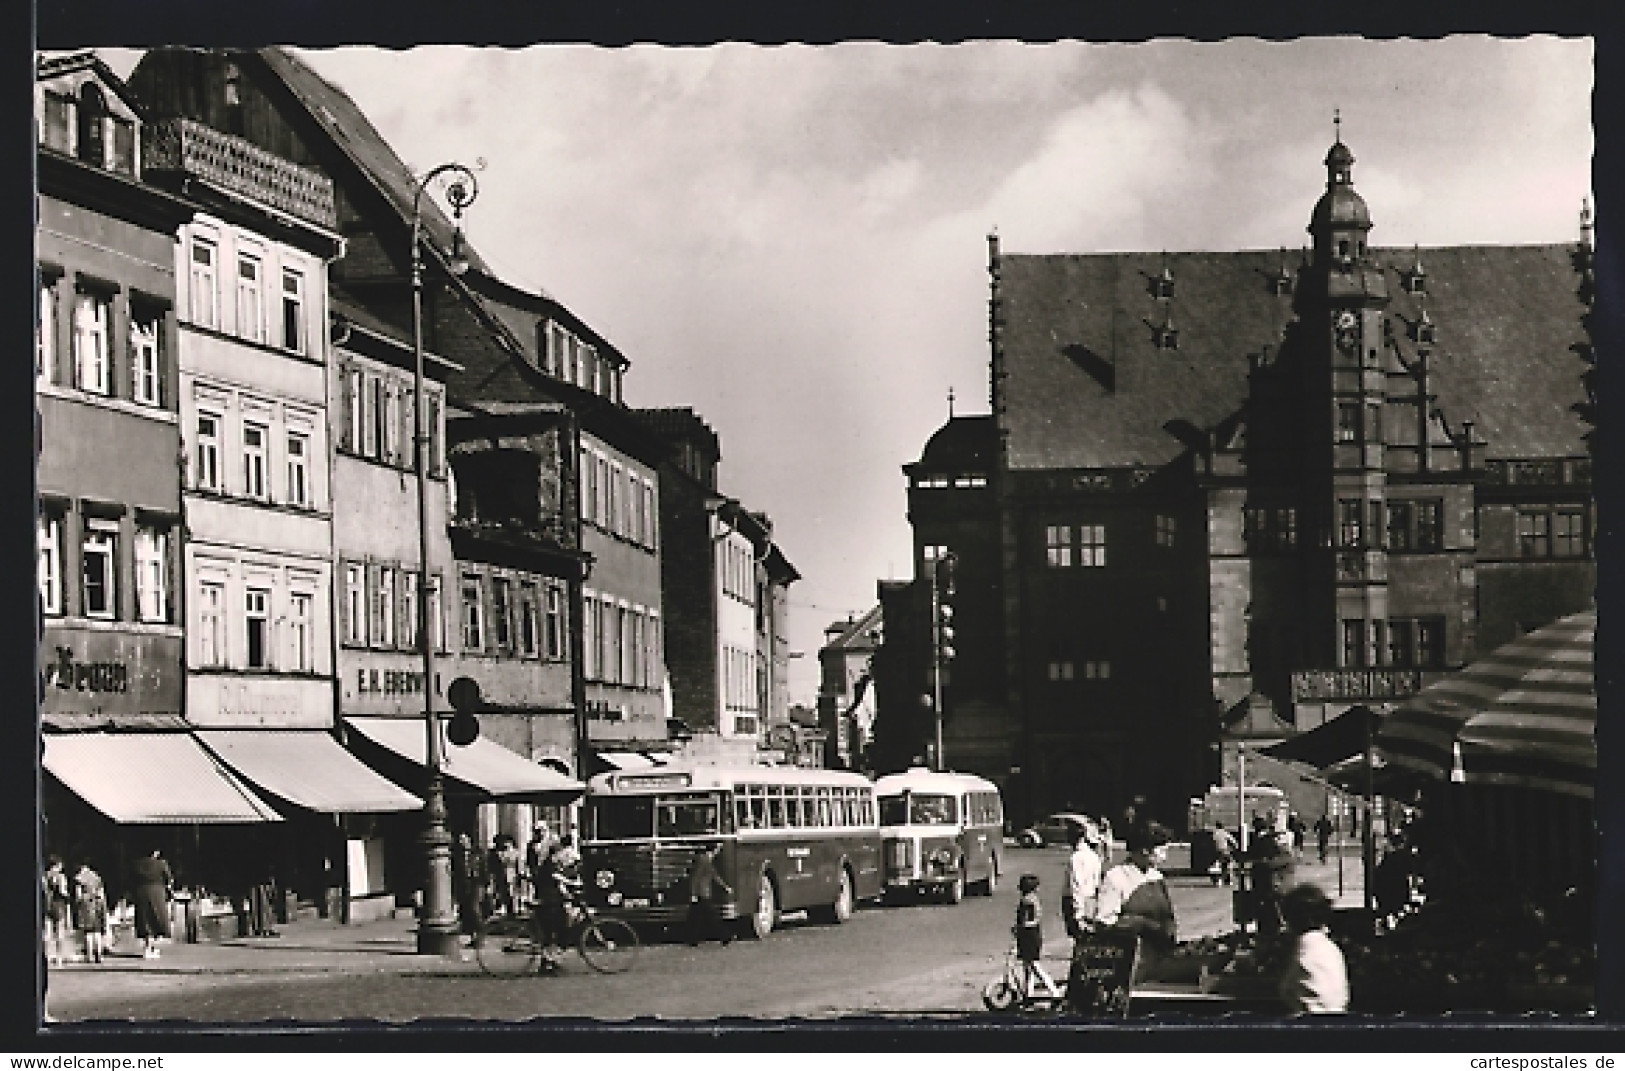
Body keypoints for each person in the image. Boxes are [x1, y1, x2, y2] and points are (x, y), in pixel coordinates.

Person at [1096, 823, 1177, 975]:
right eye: (1162, 850)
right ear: (1145, 850)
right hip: (1130, 963)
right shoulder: (1116, 877)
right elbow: (1104, 923)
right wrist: (1141, 925)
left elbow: (1167, 914)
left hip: (1159, 959)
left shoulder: (1156, 876)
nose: (1165, 856)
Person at [1277, 884, 1349, 1014]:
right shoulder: (1331, 948)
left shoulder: (1305, 947)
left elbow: (1287, 990)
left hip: (1311, 1024)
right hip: (1338, 1020)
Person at [1013, 874, 1062, 1001]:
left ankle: (1053, 991)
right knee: (1028, 966)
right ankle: (1028, 993)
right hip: (1033, 934)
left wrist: (1020, 927)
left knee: (1033, 965)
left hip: (1028, 936)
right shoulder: (1034, 899)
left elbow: (1029, 920)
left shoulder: (1027, 901)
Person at [1061, 819, 1103, 940]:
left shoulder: (1076, 858)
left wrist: (1078, 913)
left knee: (1078, 936)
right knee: (1086, 936)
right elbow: (1097, 883)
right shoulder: (1094, 856)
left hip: (1075, 901)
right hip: (1090, 899)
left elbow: (1076, 885)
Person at [686, 842, 734, 948]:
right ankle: (725, 936)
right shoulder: (704, 860)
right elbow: (697, 877)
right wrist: (693, 893)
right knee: (712, 917)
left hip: (702, 893)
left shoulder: (705, 859)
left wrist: (725, 887)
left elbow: (713, 876)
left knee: (696, 918)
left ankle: (692, 939)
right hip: (703, 893)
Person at [130, 848, 173, 959]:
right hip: (157, 893)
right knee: (156, 918)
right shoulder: (161, 864)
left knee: (145, 919)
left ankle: (147, 948)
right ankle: (153, 947)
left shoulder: (137, 864)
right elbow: (168, 879)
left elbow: (132, 880)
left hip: (141, 892)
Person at [450, 833, 488, 939]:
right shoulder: (457, 855)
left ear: (469, 840)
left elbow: (484, 868)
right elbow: (455, 872)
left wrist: (487, 884)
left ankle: (481, 931)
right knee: (466, 910)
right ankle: (473, 935)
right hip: (465, 884)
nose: (462, 843)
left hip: (477, 882)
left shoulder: (477, 853)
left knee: (474, 907)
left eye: (464, 840)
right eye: (460, 841)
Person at [73, 861, 108, 965]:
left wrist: (79, 902)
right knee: (97, 931)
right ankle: (99, 954)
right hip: (97, 905)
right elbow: (101, 894)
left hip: (85, 905)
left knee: (88, 932)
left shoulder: (79, 878)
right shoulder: (97, 877)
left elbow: (78, 895)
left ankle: (89, 955)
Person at [42, 856, 72, 968]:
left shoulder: (45, 876)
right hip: (58, 905)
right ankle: (59, 957)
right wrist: (68, 897)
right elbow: (62, 892)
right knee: (59, 933)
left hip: (47, 905)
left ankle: (47, 956)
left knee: (47, 933)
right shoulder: (60, 877)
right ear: (57, 865)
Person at [489, 834, 521, 917]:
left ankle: (513, 909)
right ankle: (504, 908)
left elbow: (517, 864)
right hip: (500, 875)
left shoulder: (514, 852)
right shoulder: (494, 853)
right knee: (502, 893)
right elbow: (492, 866)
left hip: (511, 875)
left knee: (511, 892)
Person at [1210, 821, 1238, 887]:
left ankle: (1218, 880)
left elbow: (1213, 842)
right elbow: (1233, 841)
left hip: (1217, 851)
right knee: (1228, 865)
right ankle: (1228, 880)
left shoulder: (1215, 834)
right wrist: (1234, 848)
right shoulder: (1225, 833)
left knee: (1219, 865)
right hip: (1226, 851)